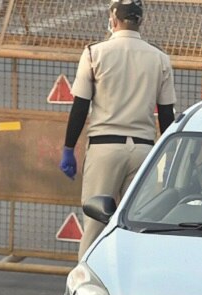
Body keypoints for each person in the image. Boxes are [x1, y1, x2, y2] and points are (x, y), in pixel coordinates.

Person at [60, 0, 176, 257]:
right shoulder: (159, 58)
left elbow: (80, 106)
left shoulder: (95, 53)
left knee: (94, 225)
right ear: (140, 21)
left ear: (113, 18)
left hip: (105, 148)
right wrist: (167, 157)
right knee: (135, 226)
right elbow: (166, 114)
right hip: (144, 150)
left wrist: (68, 148)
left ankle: (86, 286)